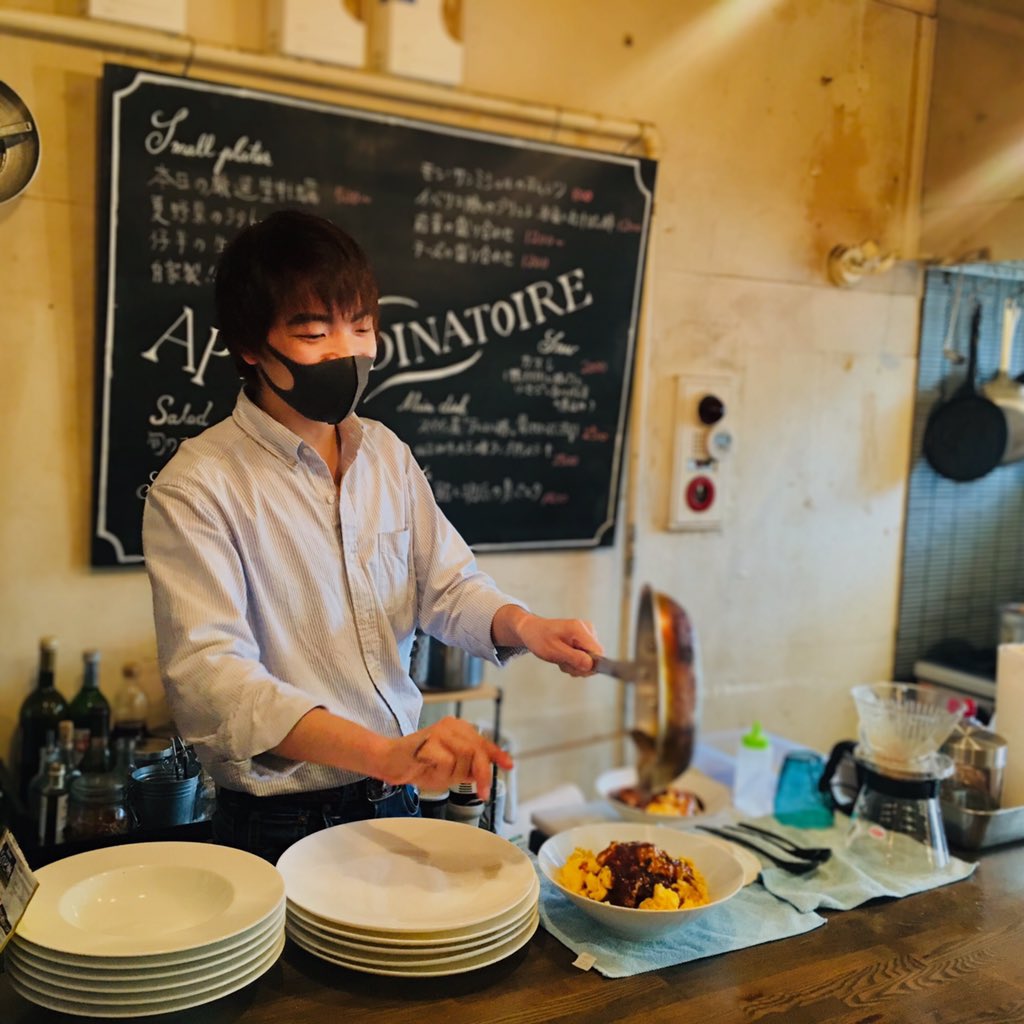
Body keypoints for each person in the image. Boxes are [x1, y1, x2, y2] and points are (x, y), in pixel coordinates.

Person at [142, 209, 603, 863]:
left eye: (361, 327)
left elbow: (446, 584)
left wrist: (525, 626)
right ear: (249, 344)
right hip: (278, 823)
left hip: (397, 798)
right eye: (313, 331)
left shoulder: (384, 453)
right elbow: (213, 683)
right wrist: (386, 752)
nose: (346, 352)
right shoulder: (197, 487)